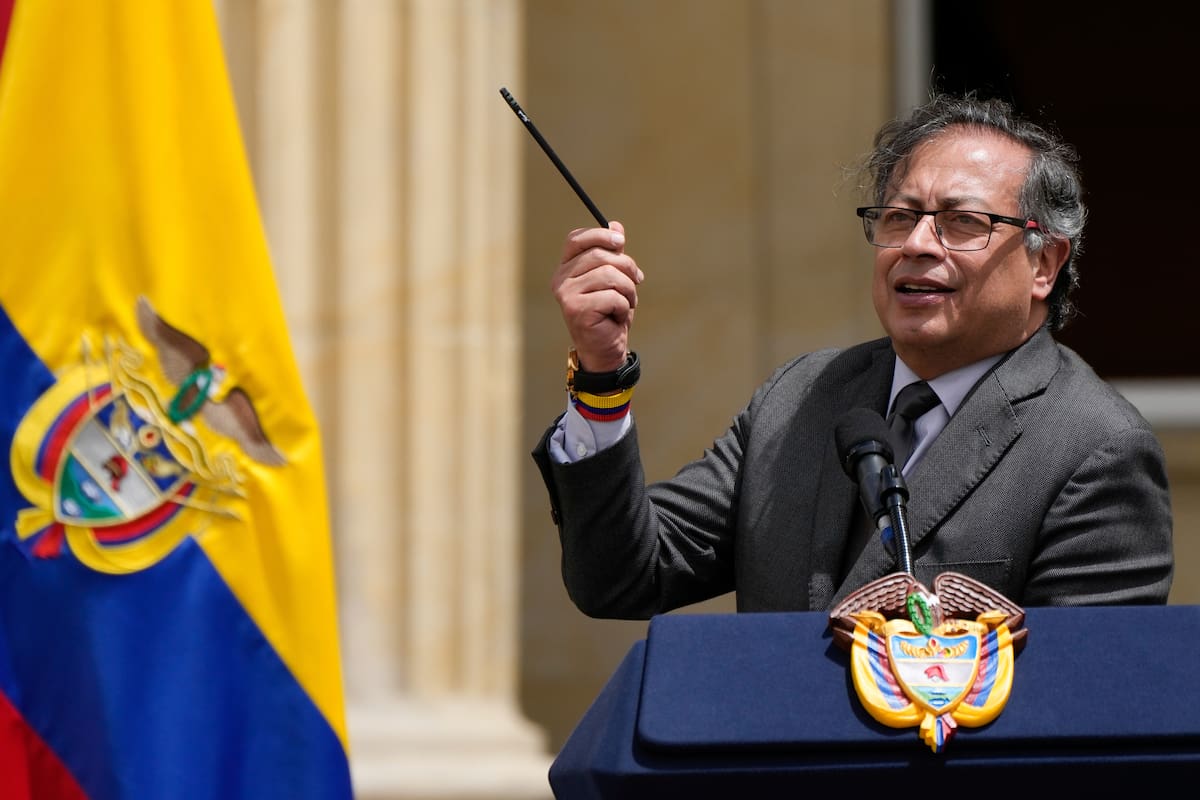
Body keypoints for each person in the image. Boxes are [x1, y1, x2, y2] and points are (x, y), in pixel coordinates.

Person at [531, 92, 1173, 619]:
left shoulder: (1094, 446)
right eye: (899, 217)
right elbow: (624, 576)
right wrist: (601, 374)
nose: (917, 244)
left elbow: (1078, 705)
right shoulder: (801, 395)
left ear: (1044, 263)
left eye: (962, 223)